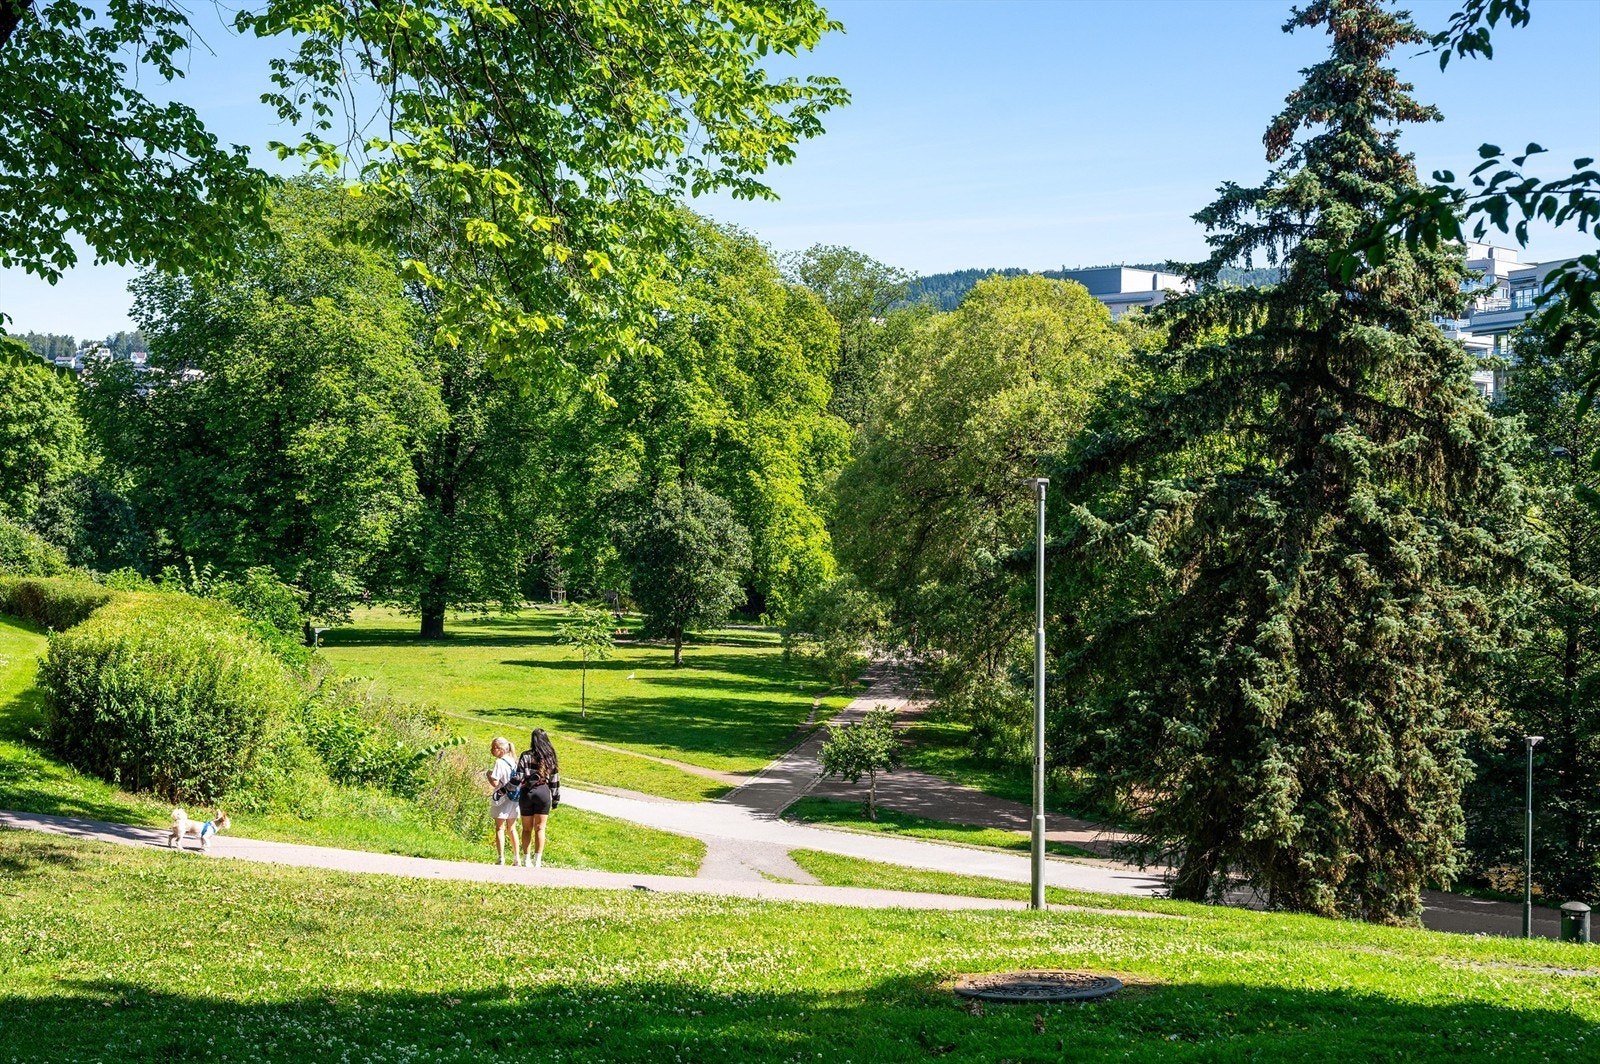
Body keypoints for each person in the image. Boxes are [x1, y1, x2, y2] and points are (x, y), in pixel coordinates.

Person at [516, 728, 560, 868]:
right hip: (543, 792)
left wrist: (507, 789)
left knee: (526, 828)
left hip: (527, 792)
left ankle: (526, 859)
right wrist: (556, 798)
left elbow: (519, 777)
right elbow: (555, 780)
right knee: (540, 828)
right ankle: (538, 860)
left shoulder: (525, 756)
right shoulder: (550, 757)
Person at [485, 737, 522, 865]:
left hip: (501, 798)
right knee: (512, 828)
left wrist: (488, 774)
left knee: (499, 828)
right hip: (514, 798)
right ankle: (517, 857)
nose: (491, 750)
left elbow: (495, 782)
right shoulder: (514, 761)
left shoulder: (499, 763)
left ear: (499, 749)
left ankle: (501, 857)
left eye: (493, 748)